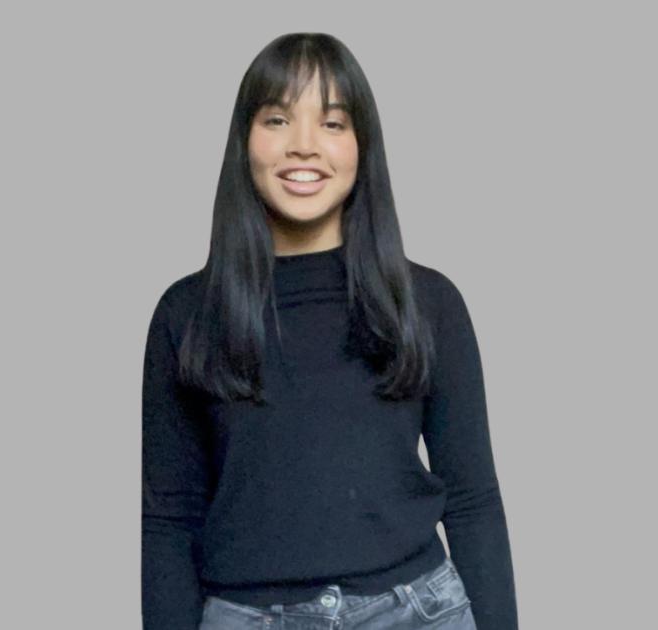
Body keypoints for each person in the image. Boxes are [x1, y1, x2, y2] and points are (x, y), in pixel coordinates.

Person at [141, 32, 518, 630]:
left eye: (333, 123)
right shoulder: (185, 314)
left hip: (415, 613)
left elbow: (473, 501)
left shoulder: (429, 303)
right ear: (244, 141)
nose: (304, 145)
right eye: (278, 119)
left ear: (362, 146)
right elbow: (169, 520)